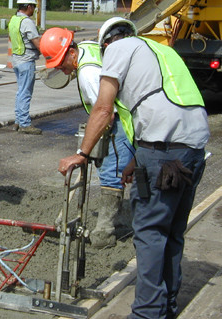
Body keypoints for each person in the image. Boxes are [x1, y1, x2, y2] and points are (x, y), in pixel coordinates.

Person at [58, 17, 209, 319]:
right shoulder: (160, 50)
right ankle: (166, 307)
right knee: (173, 231)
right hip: (193, 149)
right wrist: (135, 160)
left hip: (165, 154)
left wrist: (82, 153)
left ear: (106, 44)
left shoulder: (116, 50)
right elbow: (160, 108)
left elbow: (104, 109)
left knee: (150, 231)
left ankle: (146, 313)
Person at [40, 27, 135, 248]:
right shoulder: (87, 47)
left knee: (112, 169)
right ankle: (120, 218)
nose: (62, 71)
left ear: (71, 53)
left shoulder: (87, 74)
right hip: (121, 112)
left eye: (61, 64)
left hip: (120, 119)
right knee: (117, 168)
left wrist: (86, 148)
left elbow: (105, 114)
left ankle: (105, 231)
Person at [8, 0, 41, 135]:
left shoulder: (14, 19)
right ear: (28, 6)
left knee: (20, 91)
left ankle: (18, 120)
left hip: (17, 60)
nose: (34, 9)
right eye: (33, 6)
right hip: (26, 61)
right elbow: (37, 42)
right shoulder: (27, 22)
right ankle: (24, 123)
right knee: (25, 93)